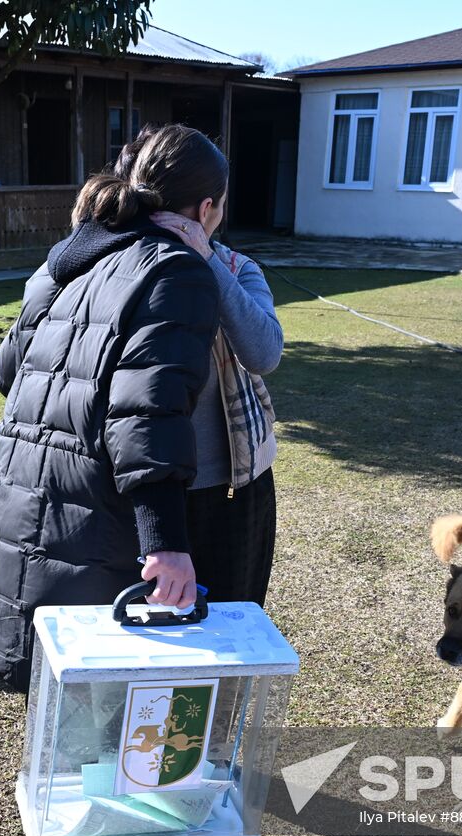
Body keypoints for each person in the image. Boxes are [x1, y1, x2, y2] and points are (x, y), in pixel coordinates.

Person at [0, 124, 225, 836]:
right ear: (206, 208)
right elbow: (146, 411)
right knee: (107, 698)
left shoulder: (75, 255)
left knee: (74, 690)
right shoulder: (178, 269)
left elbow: (6, 367)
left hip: (29, 493)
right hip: (94, 512)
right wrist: (167, 542)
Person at [117, 125, 282, 605]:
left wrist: (205, 257)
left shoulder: (234, 267)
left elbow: (263, 351)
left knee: (229, 613)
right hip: (145, 493)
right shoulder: (123, 263)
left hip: (232, 484)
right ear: (208, 207)